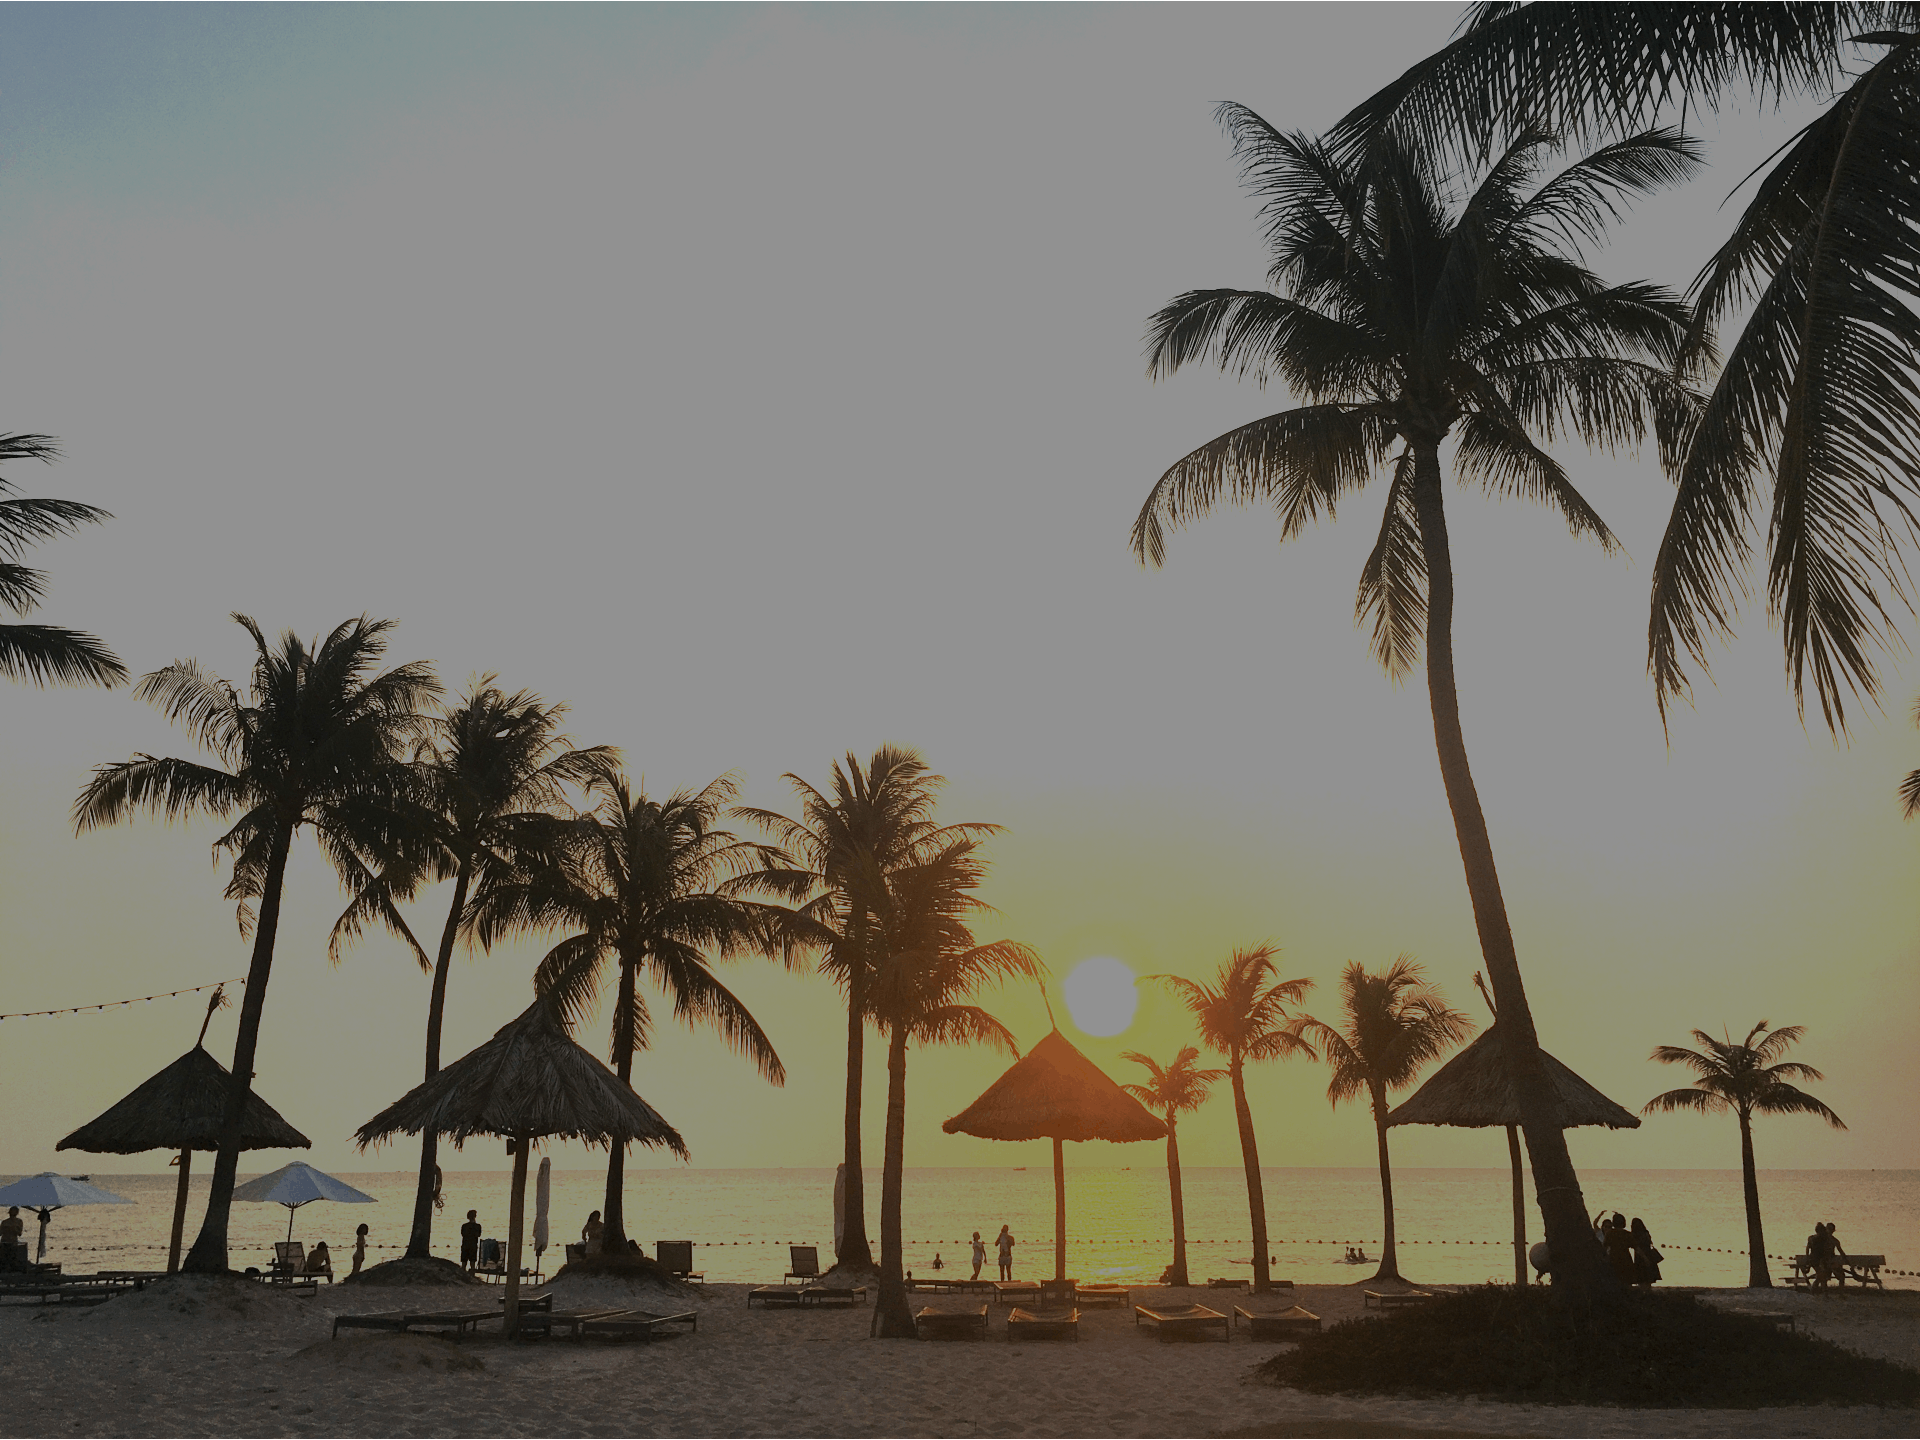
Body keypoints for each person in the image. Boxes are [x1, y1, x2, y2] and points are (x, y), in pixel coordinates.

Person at [1628, 1217, 1661, 1286]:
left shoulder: (1635, 1236)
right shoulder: (1646, 1233)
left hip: (1640, 1259)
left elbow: (1636, 1248)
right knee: (1648, 1280)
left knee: (1641, 1280)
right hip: (1649, 1256)